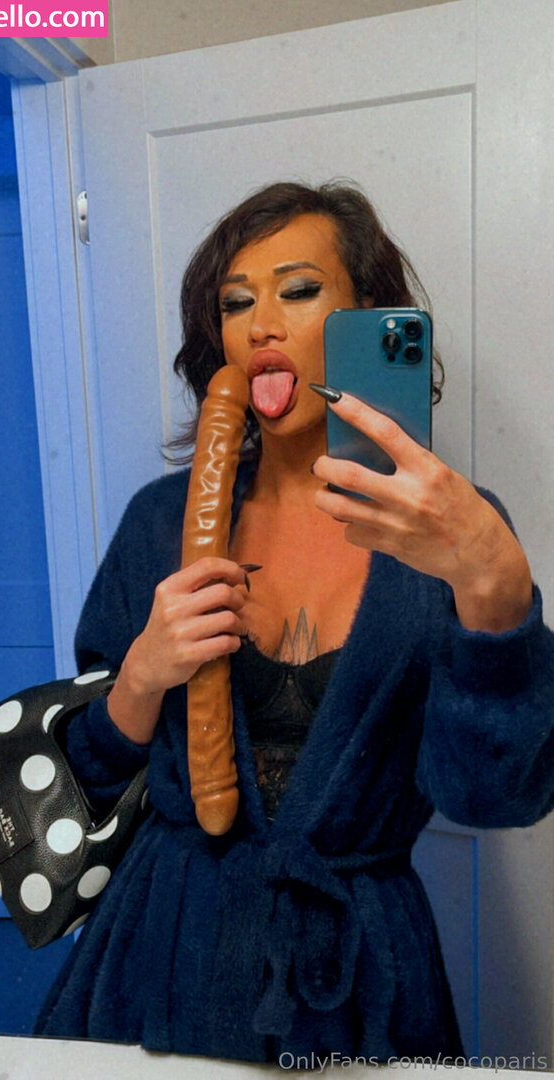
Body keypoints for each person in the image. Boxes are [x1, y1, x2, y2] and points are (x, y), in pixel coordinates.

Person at [36, 181, 554, 1062]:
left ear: (367, 317)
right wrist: (142, 675)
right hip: (163, 954)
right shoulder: (161, 522)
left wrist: (496, 590)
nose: (261, 326)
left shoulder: (450, 534)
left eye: (300, 290)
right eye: (236, 304)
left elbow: (492, 798)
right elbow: (84, 776)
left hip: (360, 975)